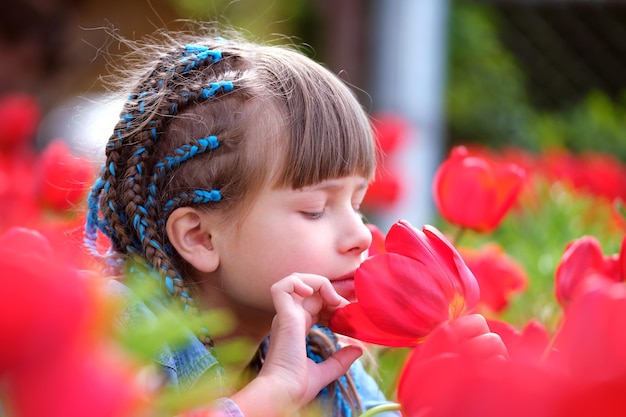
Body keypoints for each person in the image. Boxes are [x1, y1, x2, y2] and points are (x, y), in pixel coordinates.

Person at [85, 25, 505, 417]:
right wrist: (271, 394)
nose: (361, 235)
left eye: (357, 203)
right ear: (200, 237)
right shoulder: (121, 327)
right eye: (315, 210)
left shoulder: (320, 351)